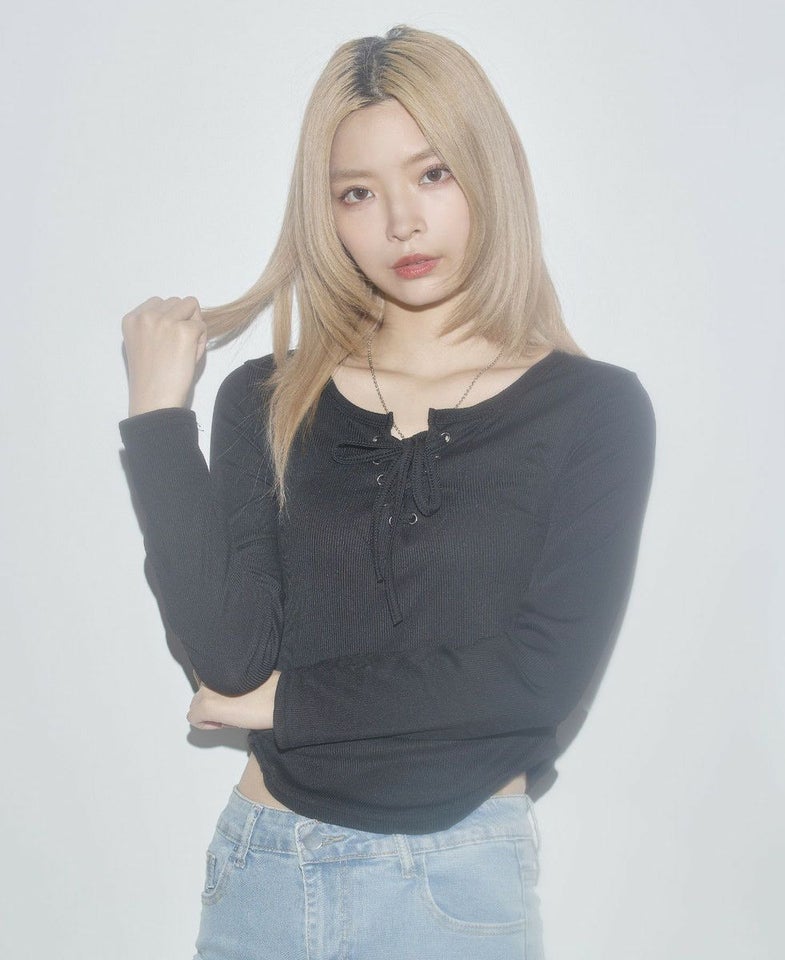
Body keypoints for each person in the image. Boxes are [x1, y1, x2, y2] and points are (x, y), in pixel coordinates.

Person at [119, 24, 655, 960]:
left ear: (489, 173)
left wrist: (289, 705)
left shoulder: (593, 410)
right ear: (326, 215)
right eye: (357, 193)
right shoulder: (267, 398)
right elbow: (230, 658)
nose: (401, 222)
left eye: (432, 174)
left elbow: (537, 679)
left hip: (455, 885)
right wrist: (160, 418)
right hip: (263, 871)